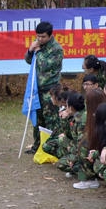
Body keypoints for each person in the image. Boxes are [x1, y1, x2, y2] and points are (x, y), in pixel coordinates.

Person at [24, 21, 64, 153]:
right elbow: (29, 61)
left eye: (43, 37)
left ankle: (52, 146)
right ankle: (37, 146)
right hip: (37, 88)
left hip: (51, 89)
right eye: (38, 36)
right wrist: (30, 50)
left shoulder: (56, 49)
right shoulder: (37, 44)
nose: (40, 39)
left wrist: (37, 51)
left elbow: (45, 65)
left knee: (51, 119)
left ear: (50, 36)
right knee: (38, 119)